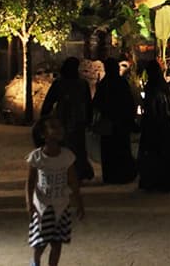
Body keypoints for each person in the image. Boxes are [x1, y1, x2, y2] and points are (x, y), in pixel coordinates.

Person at [26, 114, 84, 266]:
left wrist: (79, 203)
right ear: (43, 134)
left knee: (57, 243)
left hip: (61, 206)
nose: (59, 130)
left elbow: (73, 181)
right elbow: (30, 182)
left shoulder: (67, 156)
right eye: (53, 126)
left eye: (60, 126)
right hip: (42, 206)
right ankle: (35, 261)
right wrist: (29, 202)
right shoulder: (37, 157)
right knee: (41, 242)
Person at [40, 57, 94, 181]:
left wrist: (44, 117)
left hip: (64, 120)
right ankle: (77, 172)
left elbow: (49, 102)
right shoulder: (80, 84)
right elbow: (88, 104)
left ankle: (70, 173)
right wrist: (89, 119)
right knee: (76, 148)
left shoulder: (60, 83)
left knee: (66, 147)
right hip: (75, 120)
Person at [91, 57, 137, 184]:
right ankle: (123, 175)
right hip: (121, 122)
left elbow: (97, 103)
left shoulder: (104, 84)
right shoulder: (121, 83)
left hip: (109, 122)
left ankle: (111, 175)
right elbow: (129, 102)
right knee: (121, 148)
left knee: (109, 150)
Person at [137, 60, 170, 193]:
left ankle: (153, 181)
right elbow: (169, 108)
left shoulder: (151, 86)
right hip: (165, 125)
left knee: (153, 155)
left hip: (154, 125)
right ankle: (164, 182)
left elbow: (150, 108)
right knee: (165, 155)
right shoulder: (164, 86)